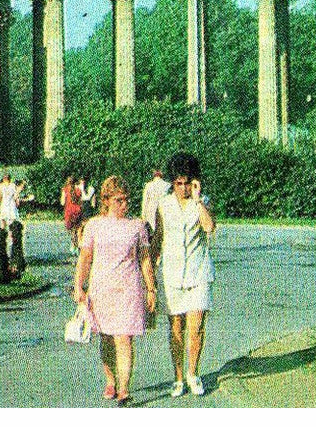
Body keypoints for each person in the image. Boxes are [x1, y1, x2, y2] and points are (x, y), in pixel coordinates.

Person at [73, 176, 156, 405]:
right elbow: (85, 258)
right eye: (119, 200)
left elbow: (145, 259)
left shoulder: (137, 226)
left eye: (126, 200)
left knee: (124, 338)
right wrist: (78, 286)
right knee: (107, 338)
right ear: (106, 200)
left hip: (129, 289)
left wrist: (151, 288)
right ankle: (111, 380)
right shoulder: (94, 225)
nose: (124, 204)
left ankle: (124, 389)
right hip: (102, 289)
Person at [151, 153, 216, 398]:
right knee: (176, 327)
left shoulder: (202, 202)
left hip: (198, 271)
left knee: (196, 326)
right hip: (172, 273)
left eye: (187, 182)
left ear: (195, 182)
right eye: (178, 183)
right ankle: (178, 377)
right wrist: (149, 274)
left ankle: (193, 373)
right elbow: (158, 238)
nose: (183, 188)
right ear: (172, 183)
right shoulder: (164, 205)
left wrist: (198, 201)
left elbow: (209, 227)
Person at [61, 174, 85, 248]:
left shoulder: (65, 190)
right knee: (78, 228)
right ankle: (77, 243)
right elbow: (81, 202)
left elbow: (62, 203)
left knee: (71, 229)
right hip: (77, 210)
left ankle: (73, 244)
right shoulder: (78, 190)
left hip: (69, 211)